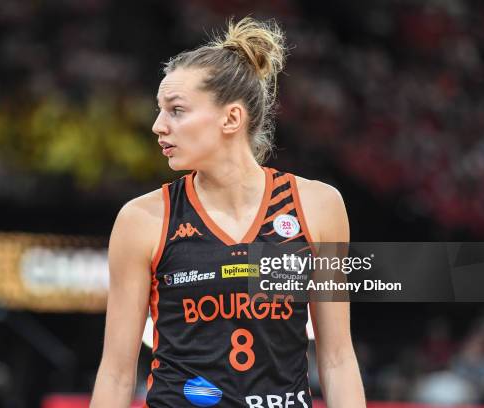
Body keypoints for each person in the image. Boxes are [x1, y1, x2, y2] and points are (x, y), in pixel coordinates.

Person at [90, 17, 365, 408]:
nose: (157, 125)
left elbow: (337, 358)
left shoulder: (320, 207)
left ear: (231, 118)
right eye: (160, 110)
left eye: (176, 110)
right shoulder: (141, 220)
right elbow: (116, 373)